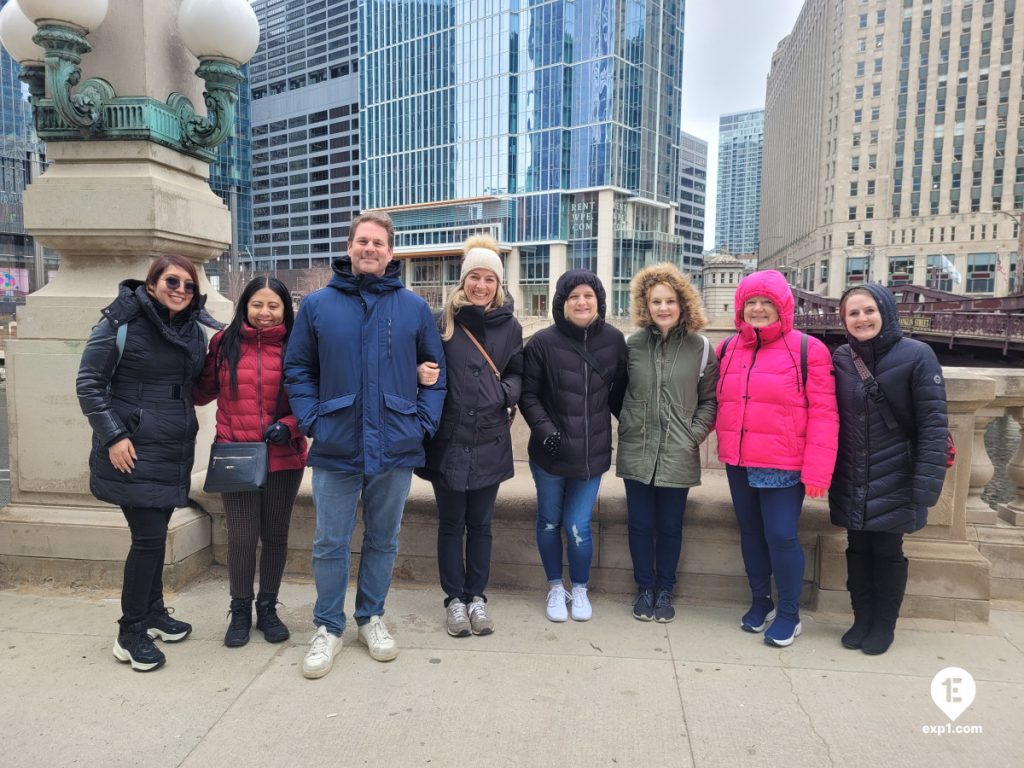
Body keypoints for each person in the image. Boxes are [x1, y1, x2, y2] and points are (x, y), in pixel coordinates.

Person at [284, 211, 446, 680]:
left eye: (379, 243)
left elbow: (435, 375)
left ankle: (370, 617)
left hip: (395, 443)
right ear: (349, 247)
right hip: (336, 441)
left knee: (384, 539)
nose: (370, 249)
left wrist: (421, 424)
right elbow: (298, 370)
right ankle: (328, 626)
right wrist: (312, 419)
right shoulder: (317, 305)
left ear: (391, 253)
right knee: (329, 541)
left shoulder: (413, 308)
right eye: (363, 241)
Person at [76, 254, 218, 672]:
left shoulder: (193, 330)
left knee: (156, 533)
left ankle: (153, 611)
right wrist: (114, 435)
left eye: (189, 285)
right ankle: (130, 631)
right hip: (132, 449)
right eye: (171, 281)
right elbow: (88, 383)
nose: (180, 290)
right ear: (152, 283)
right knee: (149, 539)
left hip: (171, 448)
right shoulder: (119, 322)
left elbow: (194, 385)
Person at [715, 270, 838, 647]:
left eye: (766, 302)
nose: (757, 309)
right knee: (751, 534)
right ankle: (760, 601)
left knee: (781, 535)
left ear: (783, 307)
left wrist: (818, 470)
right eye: (750, 302)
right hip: (738, 458)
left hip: (783, 462)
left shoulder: (808, 349)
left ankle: (789, 613)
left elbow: (824, 413)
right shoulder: (727, 349)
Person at [830, 284, 948, 655]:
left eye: (868, 311)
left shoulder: (918, 355)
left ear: (885, 311)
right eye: (853, 313)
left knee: (887, 550)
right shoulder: (842, 358)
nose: (861, 319)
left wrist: (926, 486)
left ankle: (883, 624)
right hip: (852, 473)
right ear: (844, 320)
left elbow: (933, 426)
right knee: (857, 548)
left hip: (897, 472)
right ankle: (861, 618)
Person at [415, 235, 523, 637]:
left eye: (489, 279)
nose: (481, 285)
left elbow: (518, 372)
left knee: (481, 524)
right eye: (474, 277)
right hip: (448, 439)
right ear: (462, 282)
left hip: (490, 438)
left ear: (498, 285)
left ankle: (477, 596)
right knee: (450, 523)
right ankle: (453, 600)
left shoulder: (510, 327)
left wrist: (504, 393)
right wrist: (418, 375)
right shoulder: (441, 322)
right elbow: (419, 362)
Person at [193, 276, 308, 648]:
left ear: (284, 310)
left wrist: (289, 426)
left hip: (283, 455)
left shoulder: (298, 346)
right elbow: (200, 392)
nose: (265, 312)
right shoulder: (223, 344)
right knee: (242, 538)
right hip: (236, 454)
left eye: (273, 305)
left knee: (275, 537)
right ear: (244, 305)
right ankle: (240, 608)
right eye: (257, 304)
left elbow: (312, 401)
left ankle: (268, 607)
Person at [520, 269, 627, 623]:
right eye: (573, 296)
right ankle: (555, 587)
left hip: (590, 455)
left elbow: (620, 395)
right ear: (561, 303)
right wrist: (546, 430)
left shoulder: (614, 341)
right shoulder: (540, 344)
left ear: (599, 301)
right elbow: (529, 395)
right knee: (549, 522)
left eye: (588, 296)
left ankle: (579, 587)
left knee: (578, 524)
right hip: (550, 453)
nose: (581, 302)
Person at [617, 264, 718, 623]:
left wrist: (693, 435)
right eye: (656, 301)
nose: (663, 308)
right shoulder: (631, 346)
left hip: (678, 452)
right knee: (640, 525)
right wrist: (630, 421)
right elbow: (617, 392)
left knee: (670, 527)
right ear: (646, 304)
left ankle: (665, 591)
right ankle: (644, 588)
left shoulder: (701, 348)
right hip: (638, 450)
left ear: (682, 303)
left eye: (670, 301)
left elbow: (710, 401)